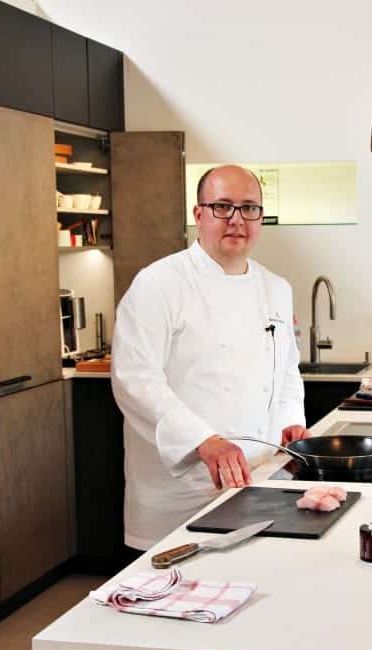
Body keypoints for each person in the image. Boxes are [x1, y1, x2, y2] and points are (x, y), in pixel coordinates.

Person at [111, 165, 309, 551]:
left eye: (249, 208)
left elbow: (286, 369)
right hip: (181, 489)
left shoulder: (277, 288)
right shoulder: (158, 284)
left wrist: (290, 422)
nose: (237, 219)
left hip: (260, 477)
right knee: (180, 581)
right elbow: (135, 379)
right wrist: (204, 440)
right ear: (198, 214)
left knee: (257, 577)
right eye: (222, 206)